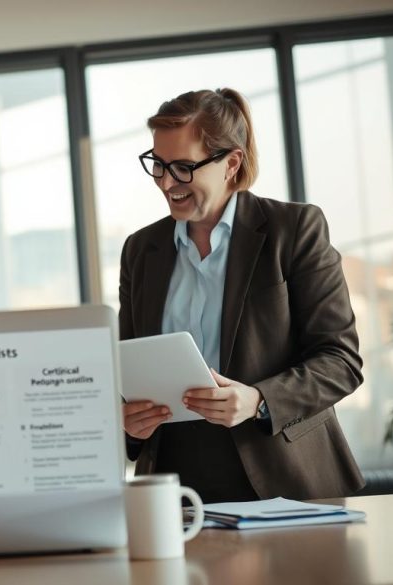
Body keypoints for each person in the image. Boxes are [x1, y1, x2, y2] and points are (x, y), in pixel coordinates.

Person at [119, 88, 364, 503]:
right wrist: (127, 420)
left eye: (181, 167)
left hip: (284, 477)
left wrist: (258, 400)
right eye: (157, 164)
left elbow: (340, 361)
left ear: (231, 163)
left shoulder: (294, 229)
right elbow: (128, 363)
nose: (164, 182)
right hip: (175, 484)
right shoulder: (141, 250)